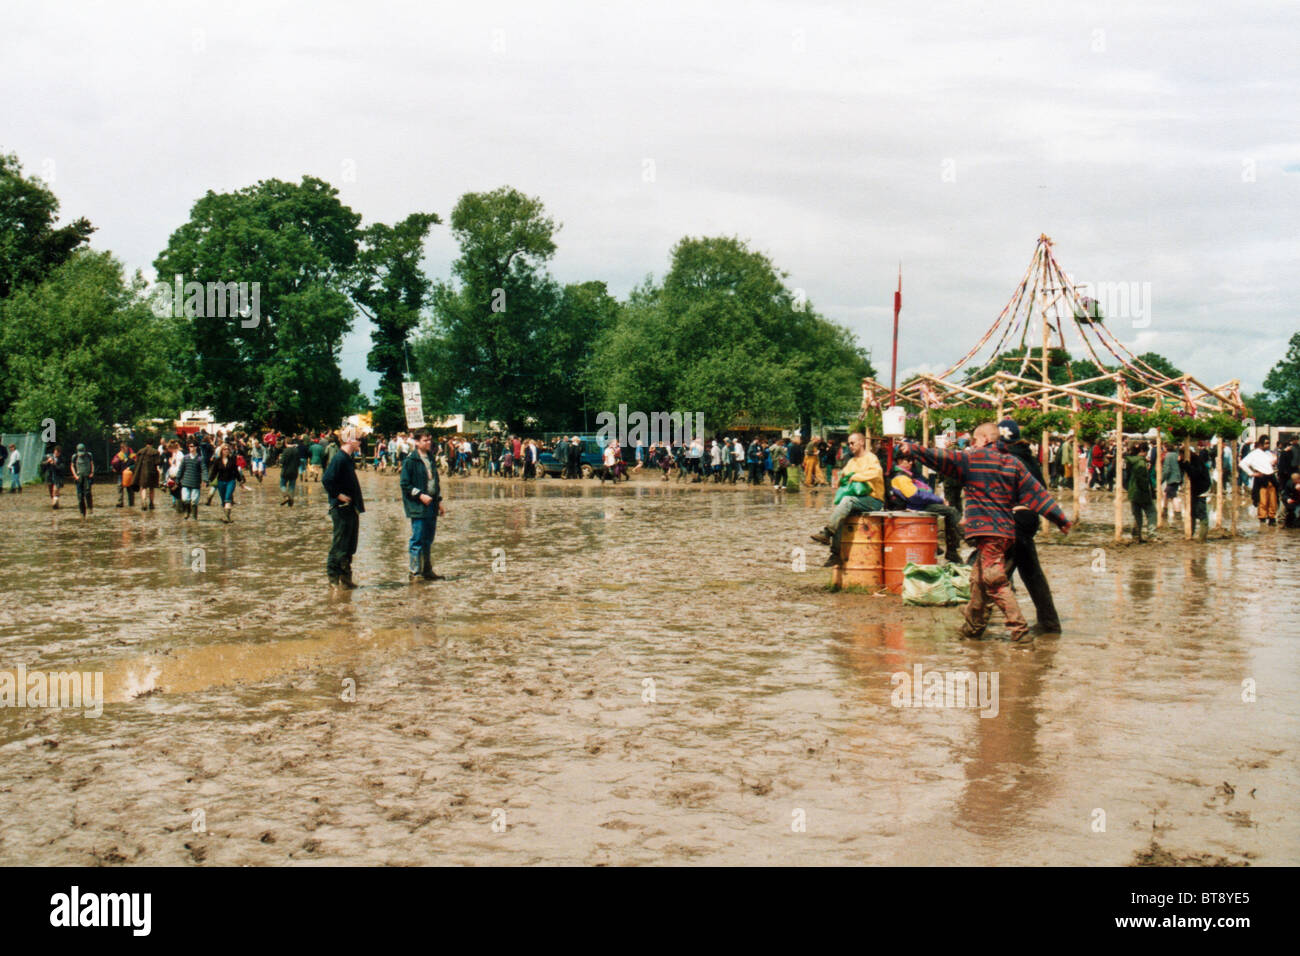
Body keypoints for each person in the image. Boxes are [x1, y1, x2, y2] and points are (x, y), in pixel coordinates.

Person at [901, 422, 1071, 645]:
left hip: (989, 531)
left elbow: (941, 458)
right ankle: (972, 630)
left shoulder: (971, 459)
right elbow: (1037, 493)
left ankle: (1020, 632)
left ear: (984, 440)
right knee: (978, 577)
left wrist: (912, 449)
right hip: (1006, 530)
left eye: (974, 440)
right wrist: (1060, 519)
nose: (971, 444)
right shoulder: (1013, 463)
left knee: (994, 580)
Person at [994, 420, 1063, 633]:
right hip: (1029, 519)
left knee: (993, 576)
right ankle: (1049, 622)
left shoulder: (1010, 460)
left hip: (1015, 520)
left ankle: (974, 622)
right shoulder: (1027, 456)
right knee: (1032, 573)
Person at [809, 431, 885, 566]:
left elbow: (876, 472)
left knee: (847, 500)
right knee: (841, 512)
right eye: (849, 443)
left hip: (873, 500)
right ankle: (835, 553)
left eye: (852, 443)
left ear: (861, 442)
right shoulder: (851, 461)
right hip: (857, 499)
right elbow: (844, 475)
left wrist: (855, 477)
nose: (850, 446)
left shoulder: (871, 458)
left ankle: (827, 532)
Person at [889, 450, 963, 560]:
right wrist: (939, 500)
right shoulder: (900, 477)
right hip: (915, 506)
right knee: (951, 511)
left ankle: (949, 550)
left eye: (912, 461)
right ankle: (965, 537)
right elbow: (915, 495)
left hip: (918, 504)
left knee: (948, 510)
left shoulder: (908, 474)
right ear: (899, 461)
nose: (910, 463)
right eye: (908, 460)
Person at [400, 430, 447, 581]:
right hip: (417, 507)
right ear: (417, 442)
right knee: (417, 539)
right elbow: (405, 484)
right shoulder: (410, 461)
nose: (429, 442)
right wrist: (420, 495)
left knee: (428, 538)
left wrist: (438, 501)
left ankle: (427, 570)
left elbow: (435, 482)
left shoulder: (431, 458)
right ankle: (414, 572)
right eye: (425, 440)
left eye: (430, 440)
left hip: (432, 505)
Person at [322, 427, 365, 588]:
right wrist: (338, 495)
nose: (360, 442)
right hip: (340, 508)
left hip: (350, 508)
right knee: (339, 545)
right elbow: (327, 480)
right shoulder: (339, 458)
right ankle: (333, 579)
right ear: (349, 440)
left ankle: (346, 579)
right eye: (358, 439)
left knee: (349, 545)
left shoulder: (347, 458)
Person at [1240, 435, 1278, 526]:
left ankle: (1272, 518)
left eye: (1269, 443)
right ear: (1261, 443)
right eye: (1266, 443)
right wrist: (1252, 473)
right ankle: (1263, 519)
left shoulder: (1268, 453)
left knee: (1273, 500)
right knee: (1262, 501)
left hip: (1271, 478)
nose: (1268, 445)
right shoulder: (1253, 453)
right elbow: (1242, 463)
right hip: (1261, 478)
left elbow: (1270, 463)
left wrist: (1274, 460)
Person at [1125, 441, 1157, 543]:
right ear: (1142, 451)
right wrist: (1148, 490)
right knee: (1152, 512)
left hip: (1132, 491)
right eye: (1146, 451)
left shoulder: (1130, 461)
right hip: (1141, 492)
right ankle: (1151, 535)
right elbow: (1142, 480)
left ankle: (1136, 536)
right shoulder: (1141, 463)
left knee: (1136, 515)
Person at [208, 442, 246, 523]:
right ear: (221, 450)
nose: (226, 451)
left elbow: (236, 471)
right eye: (224, 449)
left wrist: (240, 481)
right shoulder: (217, 461)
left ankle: (228, 518)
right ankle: (226, 515)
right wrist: (209, 480)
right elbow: (214, 472)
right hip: (221, 482)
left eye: (227, 449)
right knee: (223, 501)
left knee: (227, 498)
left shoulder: (232, 460)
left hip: (231, 481)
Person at [175, 440, 205, 520]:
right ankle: (187, 511)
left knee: (194, 500)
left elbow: (204, 469)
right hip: (185, 481)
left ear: (196, 447)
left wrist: (205, 480)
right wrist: (177, 479)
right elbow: (181, 469)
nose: (191, 448)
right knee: (185, 499)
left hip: (195, 482)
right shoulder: (185, 458)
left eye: (192, 446)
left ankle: (194, 516)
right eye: (190, 446)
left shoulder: (200, 459)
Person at [133, 440, 160, 510]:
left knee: (143, 487)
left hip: (142, 472)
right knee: (152, 488)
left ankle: (144, 501)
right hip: (152, 472)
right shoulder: (155, 452)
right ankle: (151, 503)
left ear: (146, 444)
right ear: (152, 444)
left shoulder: (140, 451)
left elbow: (136, 463)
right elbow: (158, 463)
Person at [70, 443, 95, 517]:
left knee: (87, 493)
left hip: (87, 477)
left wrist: (92, 472)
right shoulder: (74, 457)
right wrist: (75, 475)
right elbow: (72, 466)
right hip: (79, 477)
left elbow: (92, 464)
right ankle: (82, 512)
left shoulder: (89, 455)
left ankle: (90, 507)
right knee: (80, 496)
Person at [111, 442, 136, 508]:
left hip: (129, 474)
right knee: (119, 488)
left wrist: (130, 467)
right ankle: (120, 502)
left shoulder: (132, 455)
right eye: (121, 448)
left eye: (124, 448)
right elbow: (113, 463)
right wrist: (113, 467)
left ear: (127, 447)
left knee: (130, 489)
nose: (122, 449)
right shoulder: (118, 455)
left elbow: (136, 464)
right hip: (121, 474)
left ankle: (131, 503)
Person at [279, 436, 302, 506]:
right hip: (294, 471)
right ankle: (291, 500)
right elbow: (299, 462)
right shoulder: (296, 451)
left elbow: (282, 462)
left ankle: (286, 496)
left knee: (282, 484)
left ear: (286, 443)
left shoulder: (285, 451)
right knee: (292, 486)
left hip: (285, 471)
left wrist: (280, 458)